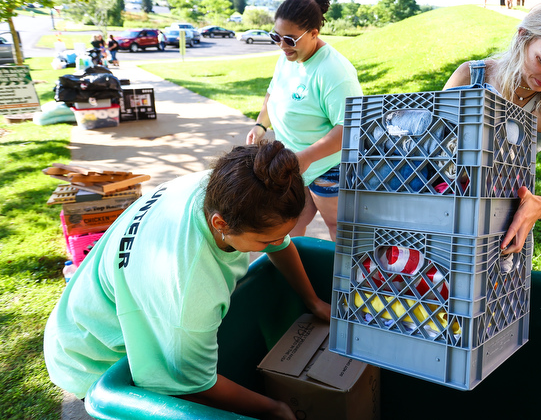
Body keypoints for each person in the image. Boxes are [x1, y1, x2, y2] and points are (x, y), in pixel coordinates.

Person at [44, 141, 330, 420]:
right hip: (94, 358)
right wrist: (273, 408)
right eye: (266, 240)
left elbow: (279, 243)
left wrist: (313, 301)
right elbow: (192, 384)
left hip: (94, 309)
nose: (278, 243)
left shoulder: (226, 185)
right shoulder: (191, 290)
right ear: (221, 224)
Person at [443, 0, 541, 255]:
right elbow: (426, 153)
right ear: (523, 36)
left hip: (499, 234)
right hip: (440, 214)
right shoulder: (471, 77)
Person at [246, 0, 362, 242]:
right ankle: (291, 278)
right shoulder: (288, 58)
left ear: (313, 33)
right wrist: (260, 125)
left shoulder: (333, 71)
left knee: (337, 227)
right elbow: (272, 94)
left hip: (328, 167)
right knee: (288, 224)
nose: (282, 45)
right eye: (276, 36)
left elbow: (351, 127)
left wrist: (307, 157)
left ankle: (341, 280)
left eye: (289, 39)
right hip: (295, 161)